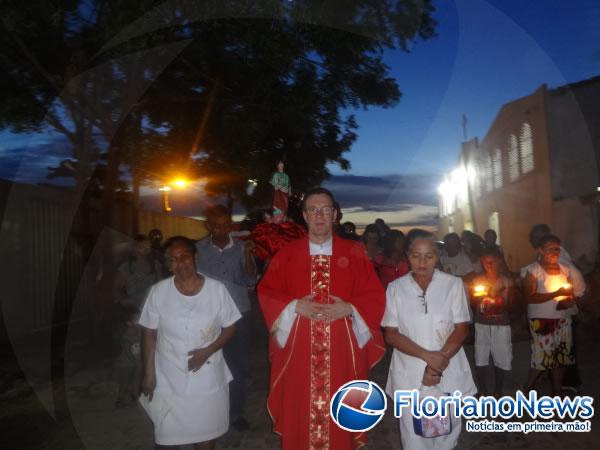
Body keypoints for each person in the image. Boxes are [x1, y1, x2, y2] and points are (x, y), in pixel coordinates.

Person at [258, 187, 386, 450]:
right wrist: (293, 306)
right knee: (299, 409)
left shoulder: (354, 252)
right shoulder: (287, 254)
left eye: (325, 209)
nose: (319, 215)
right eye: (313, 210)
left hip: (342, 351)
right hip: (299, 352)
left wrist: (350, 308)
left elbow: (374, 294)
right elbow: (267, 291)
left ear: (335, 214)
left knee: (341, 413)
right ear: (304, 215)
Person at [139, 236, 241, 449]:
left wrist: (207, 351)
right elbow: (149, 332)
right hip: (168, 378)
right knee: (167, 438)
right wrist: (149, 375)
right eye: (173, 259)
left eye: (184, 256)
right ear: (167, 265)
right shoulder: (159, 292)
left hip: (207, 378)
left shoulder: (216, 290)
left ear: (195, 257)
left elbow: (231, 326)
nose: (180, 263)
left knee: (206, 438)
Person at [382, 230, 476, 450]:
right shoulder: (396, 288)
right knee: (414, 437)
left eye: (429, 256)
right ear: (407, 256)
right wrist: (428, 357)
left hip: (448, 367)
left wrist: (436, 366)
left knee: (446, 434)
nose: (422, 262)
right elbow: (391, 334)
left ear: (438, 256)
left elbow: (461, 328)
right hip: (410, 371)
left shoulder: (453, 284)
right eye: (416, 256)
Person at [195, 205, 256, 431]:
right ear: (208, 225)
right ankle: (208, 412)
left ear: (230, 225)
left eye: (225, 225)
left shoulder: (241, 248)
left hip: (238, 314)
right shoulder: (198, 249)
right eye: (216, 225)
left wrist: (248, 255)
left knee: (238, 366)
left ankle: (236, 413)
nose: (220, 230)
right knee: (208, 364)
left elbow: (250, 281)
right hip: (206, 316)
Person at [522, 235, 585, 396]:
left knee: (561, 359)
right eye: (550, 249)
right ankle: (524, 394)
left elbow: (569, 291)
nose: (554, 252)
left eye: (557, 249)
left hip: (563, 319)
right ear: (540, 251)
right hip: (541, 321)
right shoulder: (533, 270)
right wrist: (557, 293)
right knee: (541, 361)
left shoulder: (565, 269)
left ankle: (556, 395)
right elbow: (530, 297)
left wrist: (569, 300)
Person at [468, 247, 514, 397]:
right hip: (482, 324)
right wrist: (485, 296)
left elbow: (511, 304)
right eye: (486, 263)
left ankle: (498, 390)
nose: (489, 266)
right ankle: (482, 389)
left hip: (501, 324)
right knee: (480, 356)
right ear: (481, 262)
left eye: (492, 262)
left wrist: (499, 298)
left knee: (502, 357)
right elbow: (474, 302)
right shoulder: (477, 280)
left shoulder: (506, 281)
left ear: (499, 261)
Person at [113, 235, 162, 309]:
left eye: (148, 246)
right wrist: (125, 302)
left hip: (153, 305)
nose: (146, 249)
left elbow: (162, 286)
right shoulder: (125, 267)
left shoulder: (156, 265)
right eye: (141, 246)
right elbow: (117, 290)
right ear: (134, 248)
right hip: (133, 307)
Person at [114, 305, 141, 408]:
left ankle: (135, 396)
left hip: (136, 363)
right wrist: (137, 361)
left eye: (139, 318)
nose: (139, 321)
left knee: (136, 381)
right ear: (129, 323)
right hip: (125, 364)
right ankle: (119, 399)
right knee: (124, 384)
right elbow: (128, 351)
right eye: (136, 319)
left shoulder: (139, 332)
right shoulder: (127, 335)